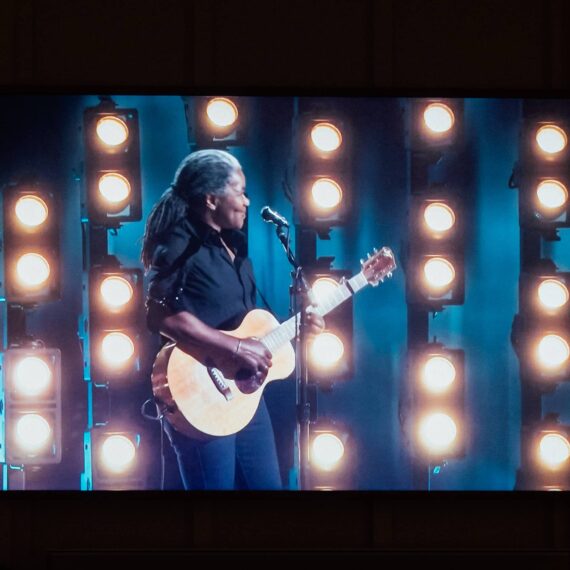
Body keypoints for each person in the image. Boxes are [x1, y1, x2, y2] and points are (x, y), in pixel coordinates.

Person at [140, 149, 324, 490]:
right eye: (239, 192)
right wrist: (233, 345)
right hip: (200, 395)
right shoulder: (181, 242)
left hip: (243, 396)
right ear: (212, 199)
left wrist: (298, 327)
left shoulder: (234, 248)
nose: (247, 201)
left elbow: (244, 325)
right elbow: (157, 313)